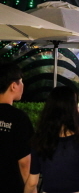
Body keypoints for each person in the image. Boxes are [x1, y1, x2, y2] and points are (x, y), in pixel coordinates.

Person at [0, 63, 34, 193]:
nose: (23, 85)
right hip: (11, 185)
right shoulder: (19, 118)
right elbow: (25, 163)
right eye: (21, 82)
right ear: (13, 86)